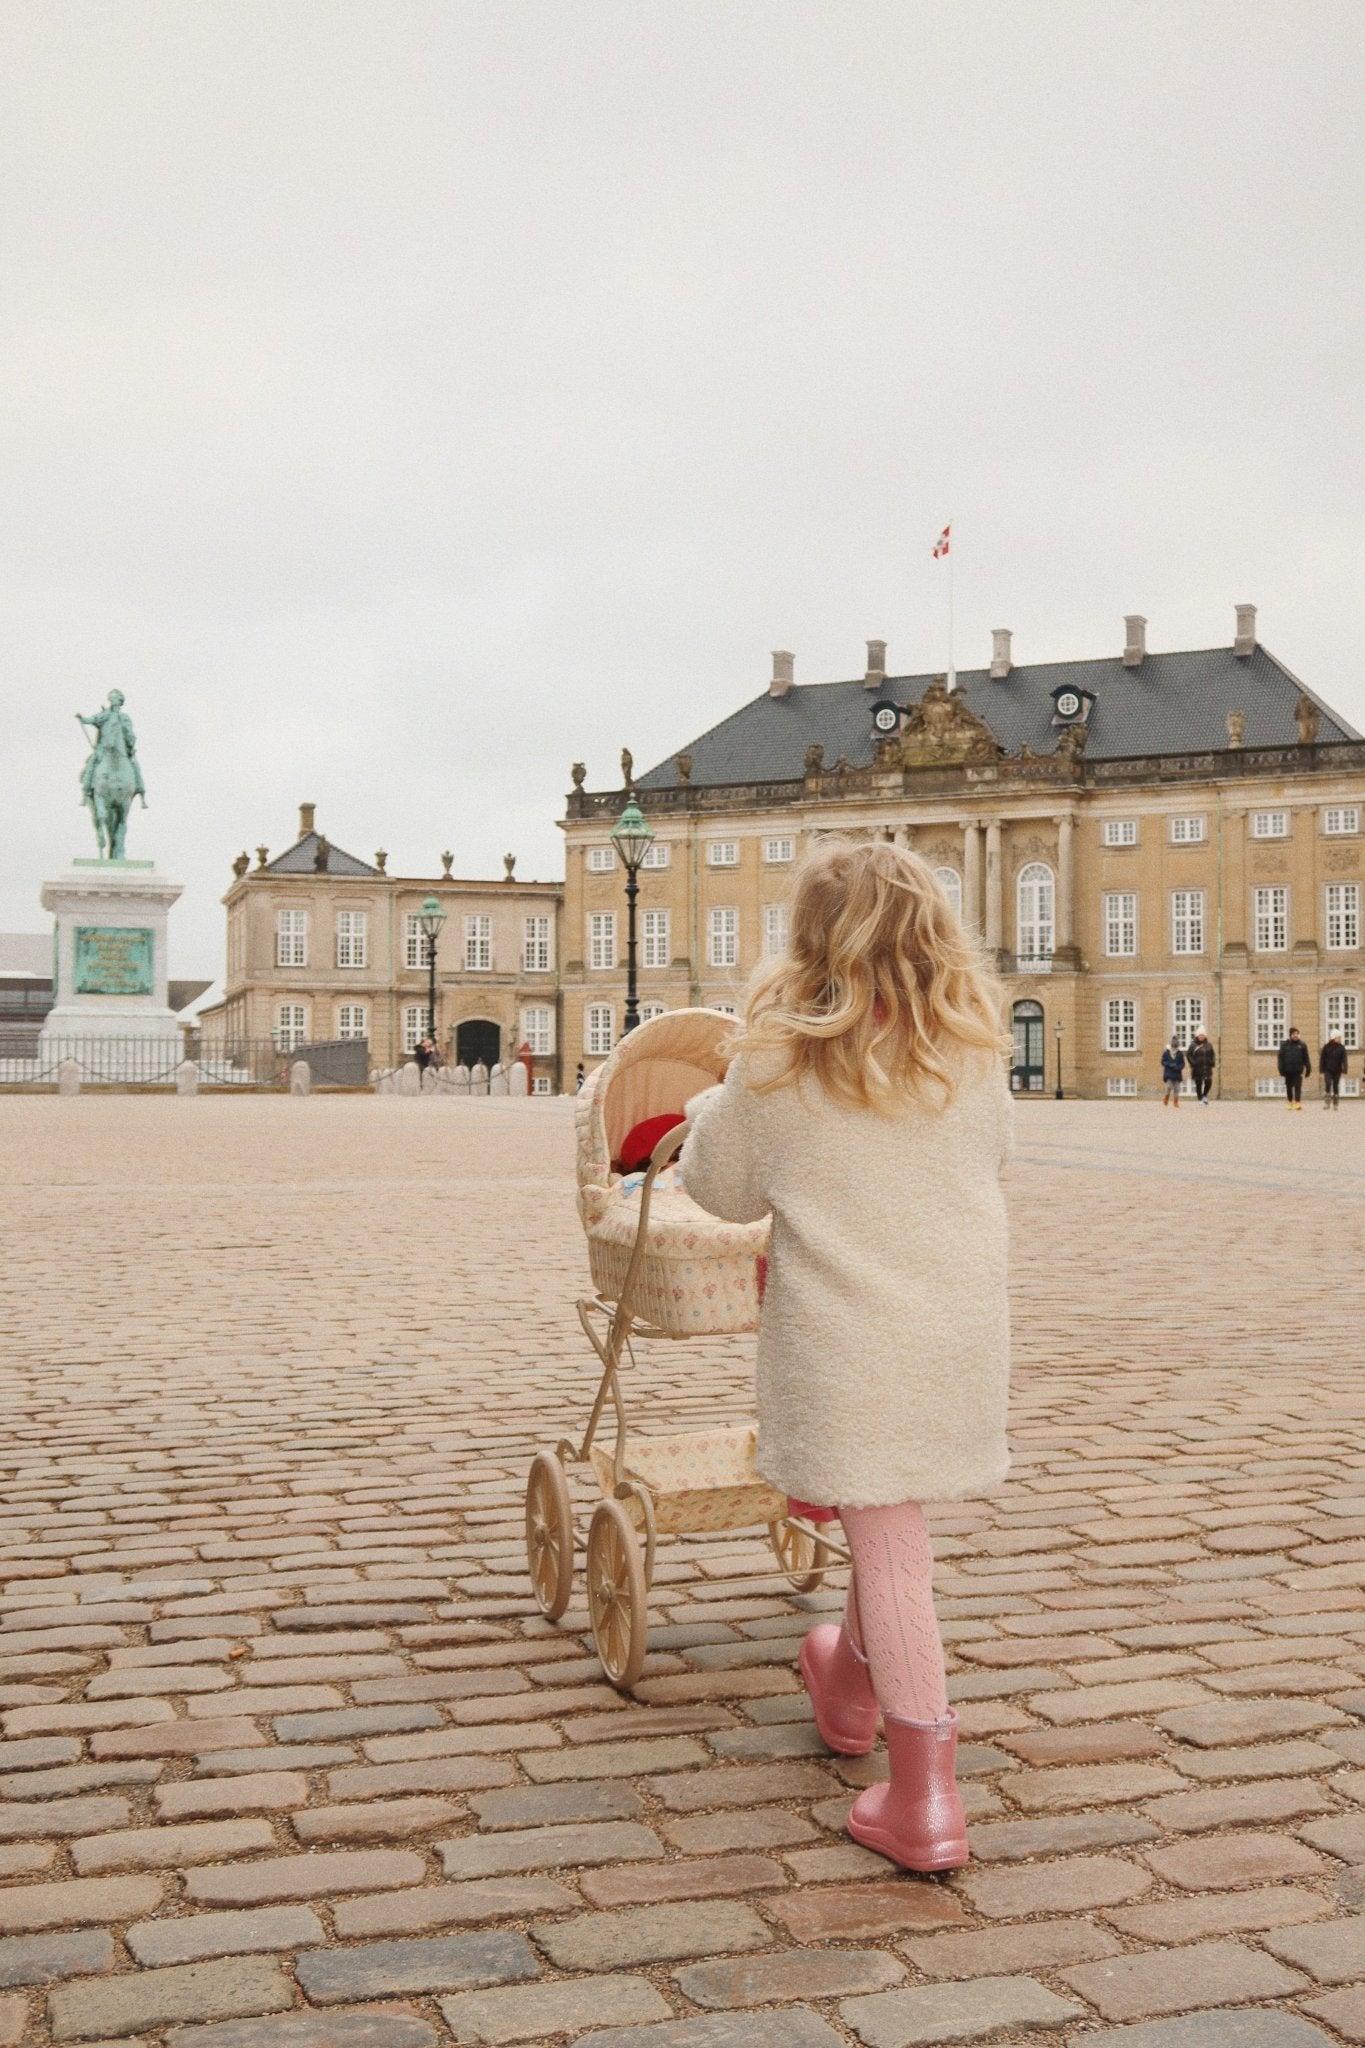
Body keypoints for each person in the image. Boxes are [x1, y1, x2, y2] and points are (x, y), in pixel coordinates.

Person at [680, 839, 1011, 1874]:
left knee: (894, 1546)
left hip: (852, 1340)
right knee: (888, 1511)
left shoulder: (778, 1055)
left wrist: (706, 1108)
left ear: (812, 939)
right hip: (956, 1330)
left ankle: (924, 1799)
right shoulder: (972, 1044)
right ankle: (848, 1680)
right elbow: (991, 1159)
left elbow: (720, 1189)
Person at [1278, 1026, 1311, 1110]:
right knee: (1289, 1087)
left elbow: (1306, 1058)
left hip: (1298, 1070)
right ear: (1290, 1035)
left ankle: (1297, 1102)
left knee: (1297, 1087)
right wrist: (1281, 1069)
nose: (1296, 1035)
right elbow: (1280, 1058)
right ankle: (1289, 1102)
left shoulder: (1302, 1045)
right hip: (1287, 1070)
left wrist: (1308, 1068)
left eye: (1297, 1034)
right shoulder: (1284, 1045)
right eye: (1294, 1034)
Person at [1187, 1029, 1216, 1105]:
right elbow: (1188, 1055)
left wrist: (1212, 1062)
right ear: (1197, 1036)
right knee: (1198, 1083)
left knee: (1208, 1082)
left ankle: (1204, 1095)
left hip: (1207, 1067)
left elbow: (1212, 1054)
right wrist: (1193, 1063)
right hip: (1197, 1068)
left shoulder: (1208, 1044)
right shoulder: (1193, 1045)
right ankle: (1200, 1099)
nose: (1201, 1036)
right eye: (1200, 1035)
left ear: (1205, 1036)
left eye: (1203, 1035)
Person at [1320, 1031, 1347, 1110]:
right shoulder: (1326, 1047)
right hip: (1327, 1069)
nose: (1340, 1039)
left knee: (1335, 1085)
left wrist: (1345, 1068)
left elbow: (1344, 1059)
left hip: (1337, 1070)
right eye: (1338, 1037)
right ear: (1333, 1038)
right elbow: (1322, 1059)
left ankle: (1335, 1104)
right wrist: (1321, 1071)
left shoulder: (1341, 1047)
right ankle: (1327, 1103)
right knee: (1328, 1084)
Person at [1160, 1036, 1186, 1107]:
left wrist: (1178, 1067)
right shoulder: (1166, 1053)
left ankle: (1175, 1101)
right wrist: (1169, 1064)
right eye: (1173, 1047)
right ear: (1171, 1046)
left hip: (1177, 1074)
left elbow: (1183, 1063)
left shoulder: (1180, 1054)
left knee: (1177, 1088)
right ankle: (1166, 1097)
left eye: (1176, 1047)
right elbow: (1162, 1061)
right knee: (1168, 1086)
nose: (1174, 1048)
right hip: (1169, 1073)